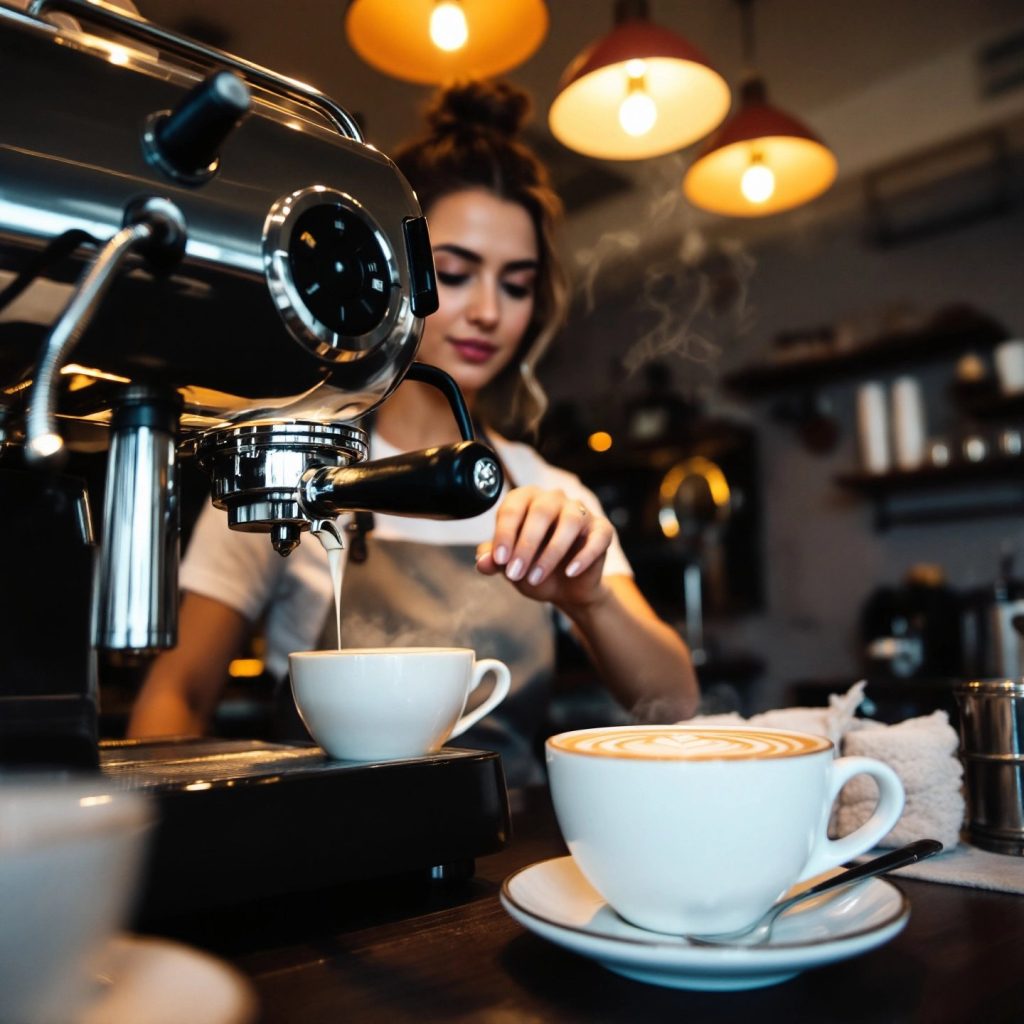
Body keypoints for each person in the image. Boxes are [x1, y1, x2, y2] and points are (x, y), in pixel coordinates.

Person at [127, 80, 699, 785]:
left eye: (516, 285)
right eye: (455, 274)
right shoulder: (293, 467)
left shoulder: (550, 494)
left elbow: (672, 705)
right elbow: (179, 693)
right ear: (395, 273)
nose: (488, 311)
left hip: (504, 857)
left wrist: (590, 597)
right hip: (327, 851)